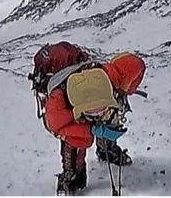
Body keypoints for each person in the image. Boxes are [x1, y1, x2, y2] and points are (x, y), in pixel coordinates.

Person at [41, 52, 146, 195]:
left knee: (111, 116)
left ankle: (107, 149)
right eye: (92, 113)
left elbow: (137, 64)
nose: (97, 115)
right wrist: (90, 130)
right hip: (70, 113)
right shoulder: (58, 104)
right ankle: (72, 175)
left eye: (101, 109)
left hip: (100, 96)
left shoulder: (115, 76)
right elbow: (57, 128)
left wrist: (124, 91)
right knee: (76, 140)